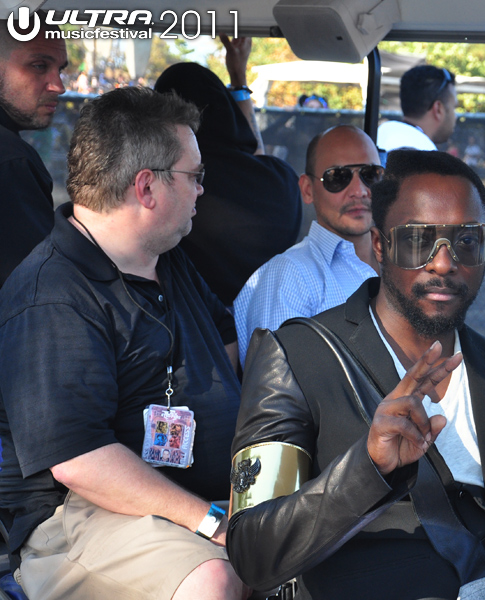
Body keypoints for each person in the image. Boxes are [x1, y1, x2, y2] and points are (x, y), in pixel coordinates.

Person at [227, 149, 485, 599]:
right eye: (416, 240)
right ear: (379, 245)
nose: (443, 263)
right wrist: (366, 468)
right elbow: (253, 552)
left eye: (467, 241)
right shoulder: (294, 355)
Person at [0, 87, 247, 600]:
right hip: (79, 516)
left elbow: (226, 343)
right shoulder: (53, 294)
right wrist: (213, 521)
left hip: (194, 498)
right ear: (147, 187)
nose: (202, 190)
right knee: (213, 580)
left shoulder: (165, 256)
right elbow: (80, 460)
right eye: (195, 176)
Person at [155, 37, 302, 306]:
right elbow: (252, 150)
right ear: (225, 109)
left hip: (194, 327)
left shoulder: (165, 194)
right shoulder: (282, 181)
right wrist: (238, 79)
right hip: (272, 324)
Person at [233, 125, 382, 365]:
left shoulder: (406, 262)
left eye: (370, 174)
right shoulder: (290, 275)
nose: (359, 191)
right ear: (307, 189)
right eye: (338, 177)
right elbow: (277, 393)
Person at [0, 14, 67, 287]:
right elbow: (41, 287)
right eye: (39, 66)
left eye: (60, 70)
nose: (59, 86)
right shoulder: (11, 161)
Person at [377, 65, 457, 152]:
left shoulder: (381, 134)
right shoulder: (426, 155)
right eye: (454, 107)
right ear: (438, 109)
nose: (455, 116)